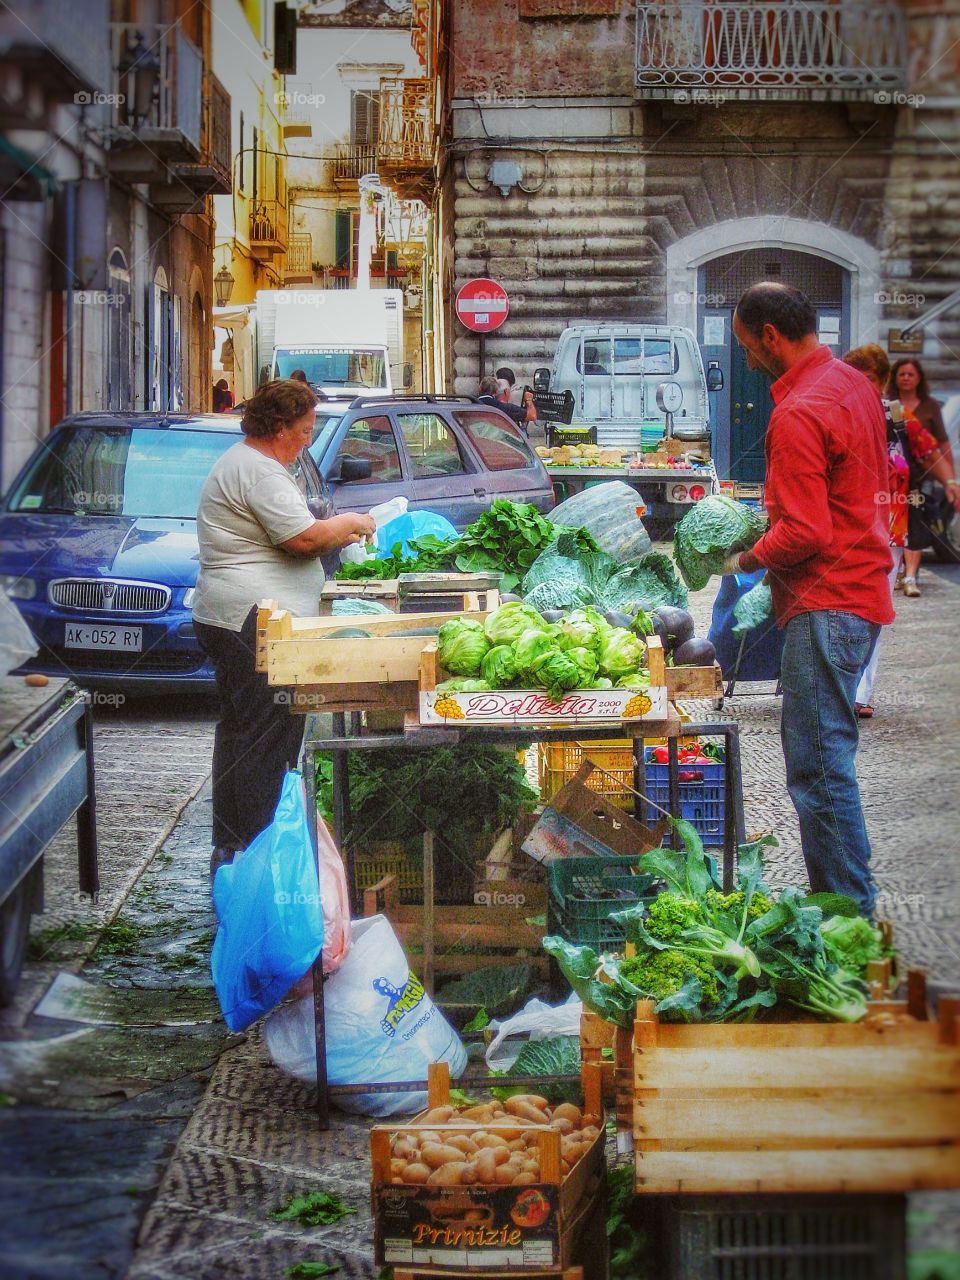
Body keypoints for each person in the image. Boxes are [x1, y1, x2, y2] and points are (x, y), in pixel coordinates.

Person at [727, 283, 892, 916]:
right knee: (827, 764)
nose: (747, 360)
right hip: (859, 592)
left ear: (772, 336)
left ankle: (850, 916)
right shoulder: (854, 386)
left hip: (827, 603)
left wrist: (745, 558)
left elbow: (805, 531)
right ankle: (845, 905)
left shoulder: (799, 411)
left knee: (819, 773)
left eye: (748, 347)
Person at [192, 379, 375, 876]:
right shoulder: (258, 471)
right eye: (305, 431)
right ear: (279, 428)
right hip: (250, 621)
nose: (308, 440)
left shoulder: (248, 464)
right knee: (264, 740)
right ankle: (255, 856)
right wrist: (355, 522)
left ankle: (232, 850)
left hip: (229, 616)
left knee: (239, 733)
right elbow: (303, 539)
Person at [842, 344, 959, 716]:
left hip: (890, 525)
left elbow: (929, 451)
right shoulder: (840, 413)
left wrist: (951, 483)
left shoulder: (897, 415)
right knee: (843, 608)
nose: (859, 384)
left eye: (867, 377)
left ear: (880, 380)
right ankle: (841, 685)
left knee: (875, 608)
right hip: (845, 524)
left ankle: (861, 692)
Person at [888, 357, 955, 596]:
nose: (906, 378)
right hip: (890, 478)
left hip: (918, 477)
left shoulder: (930, 406)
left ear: (919, 378)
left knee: (915, 523)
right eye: (902, 374)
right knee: (893, 527)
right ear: (895, 377)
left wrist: (950, 478)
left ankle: (910, 577)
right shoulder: (889, 404)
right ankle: (896, 573)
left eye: (911, 374)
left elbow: (942, 443)